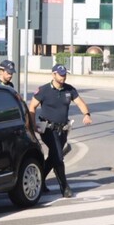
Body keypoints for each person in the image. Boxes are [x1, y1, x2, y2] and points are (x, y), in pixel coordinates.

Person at [28, 64, 93, 198]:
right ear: (53, 75)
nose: (63, 77)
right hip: (48, 130)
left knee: (53, 157)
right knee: (58, 156)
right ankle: (65, 187)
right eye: (61, 74)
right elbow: (32, 107)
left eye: (65, 74)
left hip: (62, 130)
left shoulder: (70, 90)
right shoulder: (44, 90)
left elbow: (80, 103)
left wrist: (86, 114)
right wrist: (33, 125)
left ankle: (40, 181)